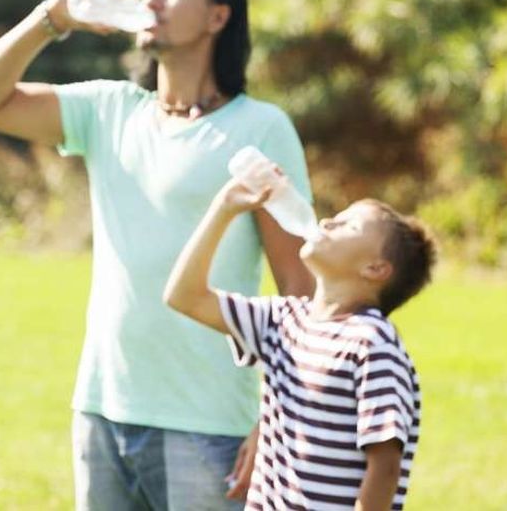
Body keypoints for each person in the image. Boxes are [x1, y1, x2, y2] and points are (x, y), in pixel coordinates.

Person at [0, 0, 315, 509]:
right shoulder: (109, 109)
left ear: (218, 17)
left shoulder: (262, 128)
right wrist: (54, 16)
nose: (151, 0)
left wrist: (277, 420)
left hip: (208, 420)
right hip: (102, 409)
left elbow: (299, 288)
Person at [163, 175, 435, 509]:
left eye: (348, 225)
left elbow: (385, 466)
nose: (327, 221)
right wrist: (224, 208)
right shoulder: (281, 320)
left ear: (375, 268)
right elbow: (184, 296)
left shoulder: (372, 344)